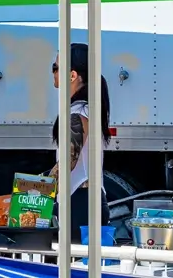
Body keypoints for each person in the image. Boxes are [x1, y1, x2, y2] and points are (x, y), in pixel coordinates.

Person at [51, 42, 127, 241]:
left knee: (76, 264)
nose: (53, 73)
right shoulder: (85, 109)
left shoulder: (78, 113)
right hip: (84, 199)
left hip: (80, 202)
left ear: (72, 75)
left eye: (55, 68)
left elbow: (69, 159)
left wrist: (38, 187)